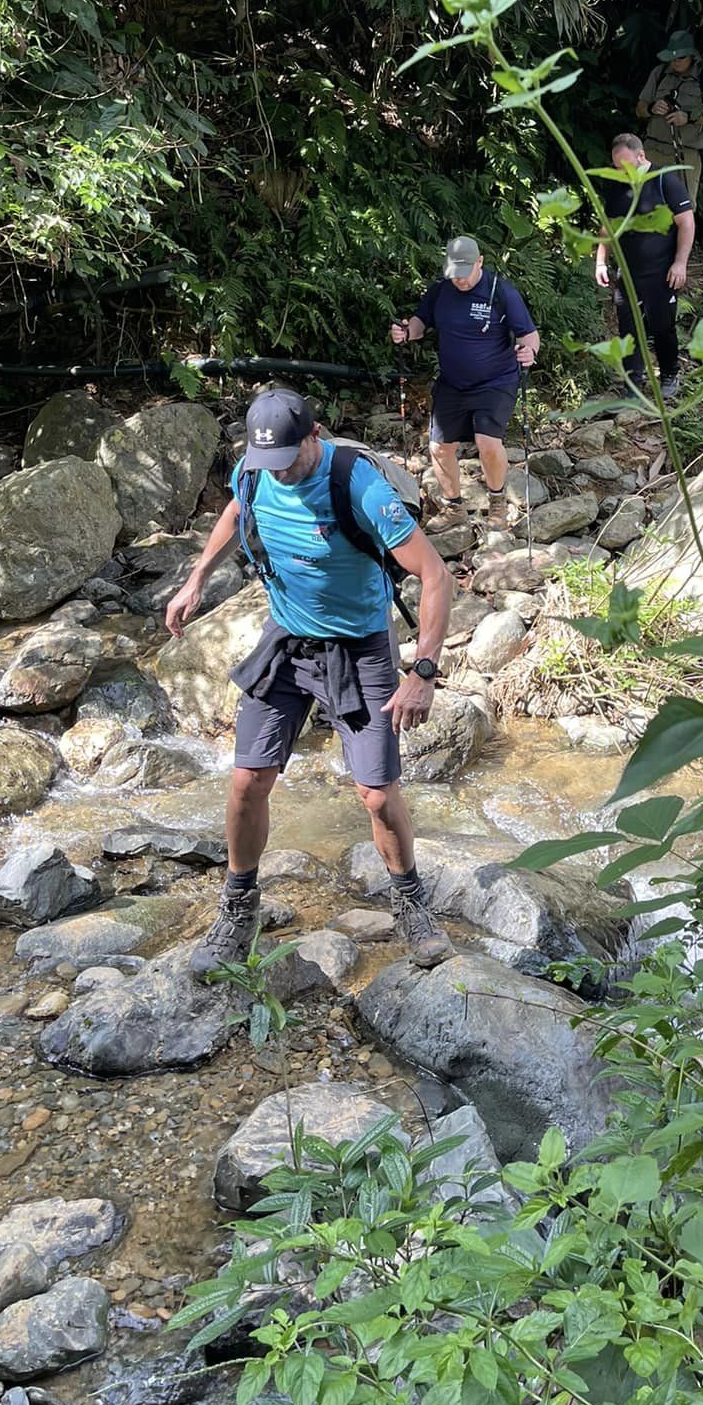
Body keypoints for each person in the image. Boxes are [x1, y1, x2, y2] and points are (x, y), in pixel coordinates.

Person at [165, 388, 455, 973]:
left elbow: (436, 576)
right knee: (247, 782)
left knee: (376, 793)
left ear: (313, 437)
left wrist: (422, 671)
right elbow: (236, 512)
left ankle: (411, 902)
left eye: (289, 460)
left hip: (361, 648)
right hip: (288, 642)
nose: (280, 474)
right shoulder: (255, 470)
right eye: (266, 463)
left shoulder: (359, 484)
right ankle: (238, 905)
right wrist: (196, 577)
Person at [391, 236, 540, 540]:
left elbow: (529, 335)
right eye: (454, 272)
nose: (459, 278)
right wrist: (405, 332)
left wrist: (529, 353)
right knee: (439, 447)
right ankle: (453, 506)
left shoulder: (501, 292)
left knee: (487, 442)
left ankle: (497, 503)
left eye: (464, 271)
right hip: (452, 383)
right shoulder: (441, 290)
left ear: (480, 262)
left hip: (496, 382)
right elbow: (421, 322)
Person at [594, 132, 695, 398]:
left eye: (627, 165)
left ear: (642, 156)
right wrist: (601, 262)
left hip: (662, 271)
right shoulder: (617, 186)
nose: (623, 171)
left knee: (663, 327)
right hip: (627, 272)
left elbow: (686, 222)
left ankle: (670, 374)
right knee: (628, 329)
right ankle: (633, 382)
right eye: (618, 167)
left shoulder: (665, 180)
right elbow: (608, 227)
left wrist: (680, 263)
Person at [636, 32, 703, 205]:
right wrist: (652, 108)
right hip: (653, 150)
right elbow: (639, 109)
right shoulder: (659, 73)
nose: (675, 62)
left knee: (681, 210)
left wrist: (688, 117)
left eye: (681, 57)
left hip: (686, 153)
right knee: (643, 205)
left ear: (691, 56)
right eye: (672, 57)